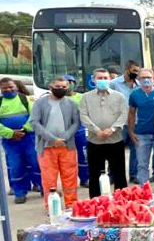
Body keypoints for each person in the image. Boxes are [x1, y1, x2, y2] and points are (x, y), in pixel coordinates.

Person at [30, 77, 79, 210]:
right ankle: (51, 207)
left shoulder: (71, 103)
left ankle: (71, 205)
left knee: (70, 177)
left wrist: (65, 136)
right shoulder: (40, 103)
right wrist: (52, 139)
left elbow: (76, 123)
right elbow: (34, 122)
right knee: (49, 179)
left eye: (64, 87)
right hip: (46, 147)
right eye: (58, 86)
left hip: (67, 146)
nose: (61, 89)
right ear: (50, 87)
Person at [79, 69, 127, 197]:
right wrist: (96, 130)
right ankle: (96, 201)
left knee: (119, 173)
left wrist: (112, 129)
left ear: (110, 79)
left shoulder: (119, 96)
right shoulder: (85, 97)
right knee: (95, 174)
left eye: (106, 78)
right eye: (99, 78)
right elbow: (83, 116)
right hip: (95, 141)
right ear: (93, 80)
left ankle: (121, 200)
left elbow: (123, 114)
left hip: (115, 140)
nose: (103, 80)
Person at [128, 69, 154, 188]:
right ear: (138, 80)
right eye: (142, 78)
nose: (146, 80)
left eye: (149, 77)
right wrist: (131, 132)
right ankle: (144, 190)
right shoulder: (134, 95)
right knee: (142, 164)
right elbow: (131, 114)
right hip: (141, 134)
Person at [109, 60, 140, 183]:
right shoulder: (114, 84)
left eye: (138, 71)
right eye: (133, 70)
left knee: (136, 150)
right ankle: (113, 175)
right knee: (115, 150)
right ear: (127, 69)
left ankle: (134, 174)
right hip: (118, 123)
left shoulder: (139, 84)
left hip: (136, 122)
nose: (136, 73)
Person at [64, 75, 89, 188]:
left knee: (83, 156)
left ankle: (85, 178)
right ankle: (69, 182)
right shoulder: (58, 98)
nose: (69, 85)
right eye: (66, 83)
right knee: (67, 158)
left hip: (80, 130)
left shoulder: (82, 97)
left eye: (71, 82)